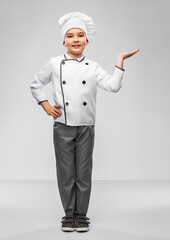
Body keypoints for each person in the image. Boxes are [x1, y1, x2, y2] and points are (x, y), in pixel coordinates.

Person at [30, 11, 139, 232]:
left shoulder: (93, 66)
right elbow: (35, 84)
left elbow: (113, 86)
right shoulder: (53, 63)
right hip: (62, 125)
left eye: (80, 35)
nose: (76, 40)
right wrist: (46, 105)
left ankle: (82, 215)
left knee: (84, 172)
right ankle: (69, 214)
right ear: (64, 40)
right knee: (66, 172)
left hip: (86, 126)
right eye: (71, 36)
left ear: (87, 40)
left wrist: (120, 60)